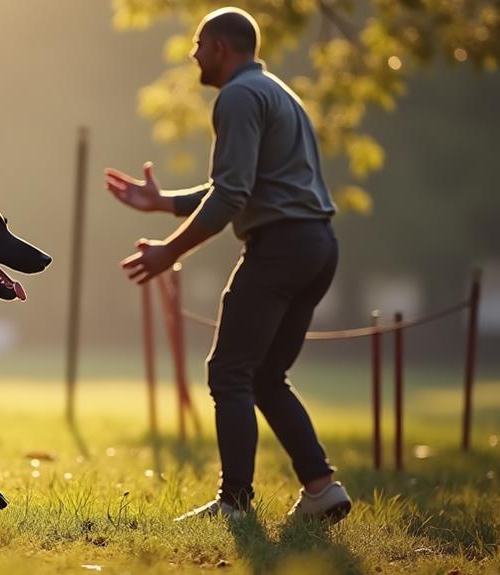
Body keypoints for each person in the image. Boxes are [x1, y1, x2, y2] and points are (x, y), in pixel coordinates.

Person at [105, 6, 352, 523]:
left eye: (198, 44)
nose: (193, 54)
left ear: (220, 46)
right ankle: (321, 487)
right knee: (264, 376)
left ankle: (235, 502)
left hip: (280, 249)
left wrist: (168, 252)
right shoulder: (276, 92)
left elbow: (231, 196)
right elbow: (243, 184)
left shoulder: (238, 97)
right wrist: (166, 201)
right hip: (316, 246)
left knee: (229, 372)